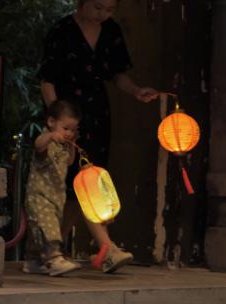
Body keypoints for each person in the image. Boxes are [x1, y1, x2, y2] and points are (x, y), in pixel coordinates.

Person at [37, 0, 159, 273]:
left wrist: (136, 91)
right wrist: (58, 123)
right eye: (98, 7)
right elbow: (47, 79)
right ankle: (102, 248)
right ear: (82, 3)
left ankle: (52, 251)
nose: (102, 15)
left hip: (96, 113)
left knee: (87, 180)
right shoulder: (62, 30)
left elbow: (117, 74)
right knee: (73, 183)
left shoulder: (111, 30)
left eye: (109, 9)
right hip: (66, 114)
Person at [22, 99, 83, 277]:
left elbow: (70, 162)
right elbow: (38, 145)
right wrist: (50, 136)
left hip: (56, 196)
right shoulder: (46, 140)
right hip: (39, 196)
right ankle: (54, 258)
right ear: (51, 123)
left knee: (38, 231)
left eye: (73, 130)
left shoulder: (64, 146)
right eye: (66, 128)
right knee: (48, 228)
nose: (69, 133)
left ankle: (33, 261)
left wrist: (72, 145)